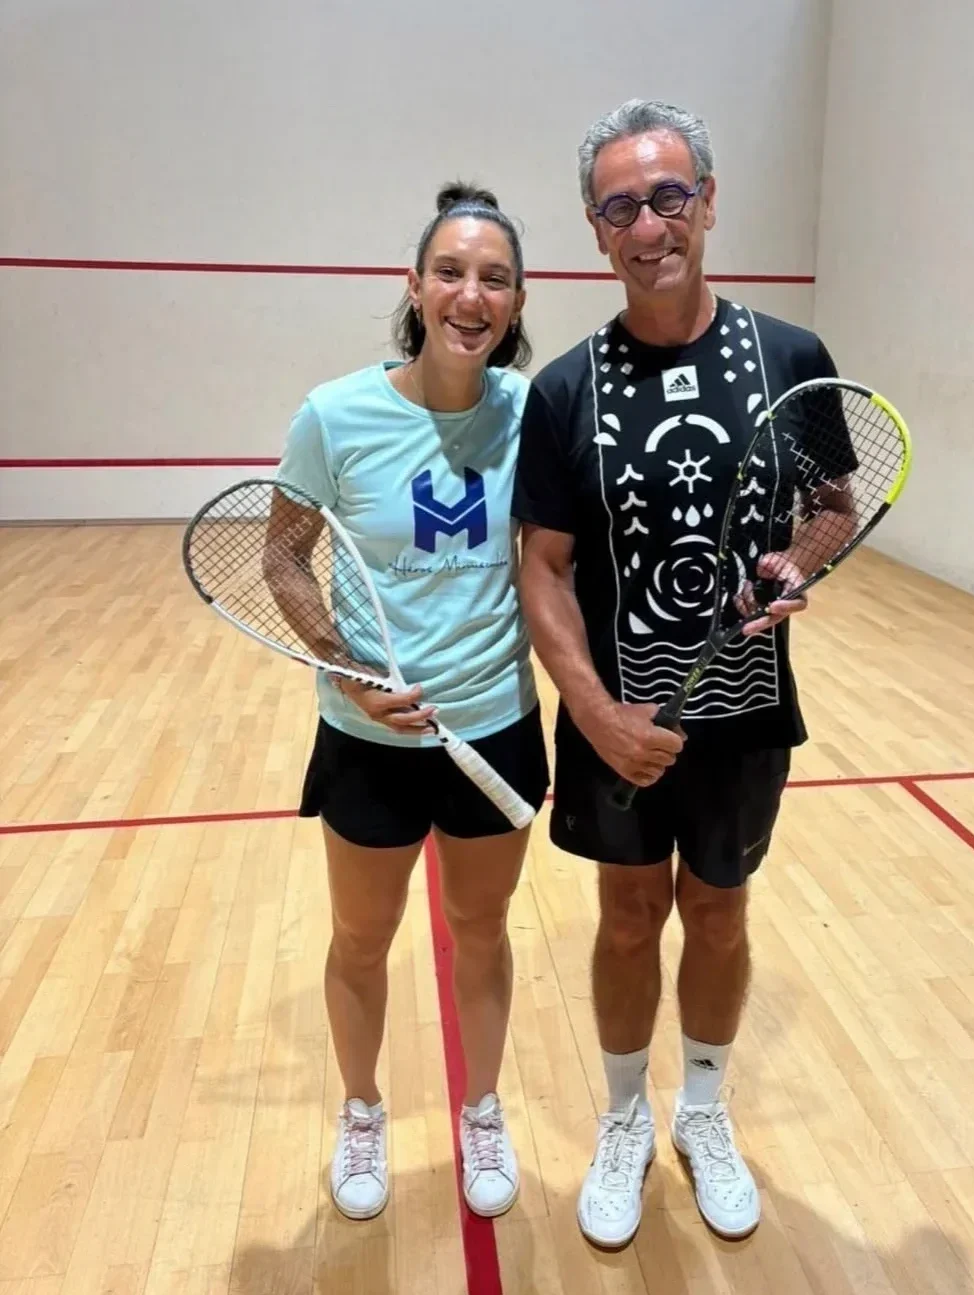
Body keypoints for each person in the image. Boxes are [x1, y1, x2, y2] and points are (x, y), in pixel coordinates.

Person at [511, 100, 854, 1247]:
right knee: (625, 919)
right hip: (616, 716)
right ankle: (623, 1117)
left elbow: (832, 507)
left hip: (743, 715)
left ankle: (702, 1109)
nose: (648, 225)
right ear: (595, 230)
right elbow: (543, 568)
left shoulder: (791, 361)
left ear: (706, 202)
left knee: (717, 908)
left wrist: (798, 562)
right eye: (620, 207)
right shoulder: (564, 390)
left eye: (668, 197)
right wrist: (596, 714)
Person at [275, 182, 548, 1223]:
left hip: (495, 726)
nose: (470, 296)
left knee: (481, 928)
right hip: (367, 738)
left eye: (494, 278)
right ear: (415, 284)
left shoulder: (532, 413)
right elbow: (284, 556)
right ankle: (361, 1109)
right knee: (361, 937)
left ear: (516, 301)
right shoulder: (334, 415)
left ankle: (481, 1107)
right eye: (450, 272)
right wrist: (342, 662)